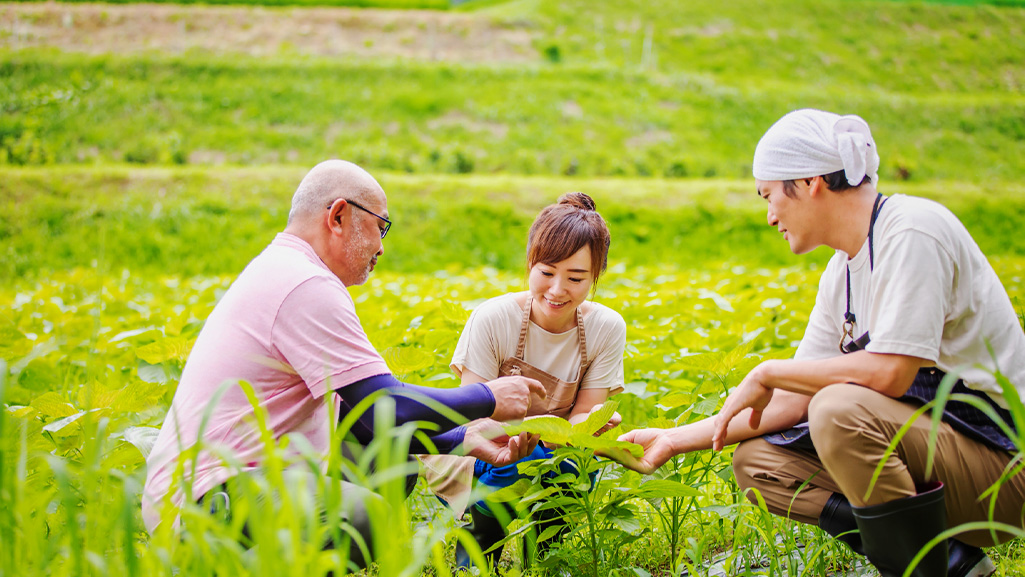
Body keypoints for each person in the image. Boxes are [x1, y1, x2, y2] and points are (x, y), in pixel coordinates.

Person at [616, 110, 1025, 577]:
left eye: (769, 196)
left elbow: (891, 372)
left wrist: (768, 370)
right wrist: (670, 439)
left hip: (1004, 469)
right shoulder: (843, 270)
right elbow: (791, 402)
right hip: (944, 463)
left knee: (837, 409)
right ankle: (950, 563)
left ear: (810, 182)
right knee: (759, 463)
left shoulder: (912, 230)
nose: (770, 216)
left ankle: (920, 568)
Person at [141, 160, 546, 570]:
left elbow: (364, 417)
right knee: (366, 516)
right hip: (206, 497)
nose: (382, 247)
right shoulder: (304, 284)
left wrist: (462, 439)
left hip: (233, 480)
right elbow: (385, 406)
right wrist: (488, 397)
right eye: (380, 226)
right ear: (338, 216)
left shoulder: (288, 270)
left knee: (390, 461)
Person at [421, 192, 627, 569]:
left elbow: (584, 414)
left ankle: (545, 557)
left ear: (596, 275)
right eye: (546, 272)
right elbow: (474, 421)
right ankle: (479, 549)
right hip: (482, 447)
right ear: (530, 263)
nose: (557, 289)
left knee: (575, 463)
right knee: (514, 463)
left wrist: (595, 426)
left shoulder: (605, 328)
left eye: (576, 277)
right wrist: (542, 435)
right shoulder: (494, 318)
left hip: (550, 446)